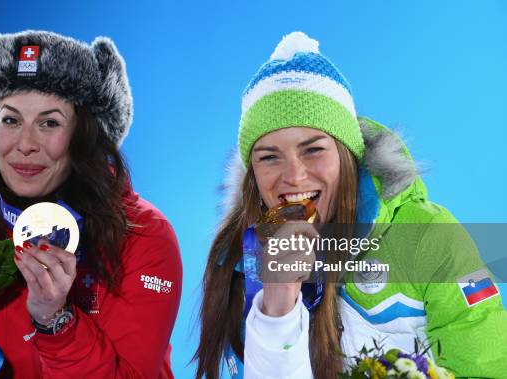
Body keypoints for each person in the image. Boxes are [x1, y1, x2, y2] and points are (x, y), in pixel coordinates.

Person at [194, 31, 507, 378]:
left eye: (313, 149)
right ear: (252, 173)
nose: (294, 177)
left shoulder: (427, 236)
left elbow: (487, 367)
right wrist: (277, 309)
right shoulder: (242, 261)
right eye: (270, 157)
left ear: (348, 155)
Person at [0, 30, 182, 378]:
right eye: (11, 119)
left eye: (49, 122)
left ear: (85, 135)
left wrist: (56, 322)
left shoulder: (142, 238)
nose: (25, 144)